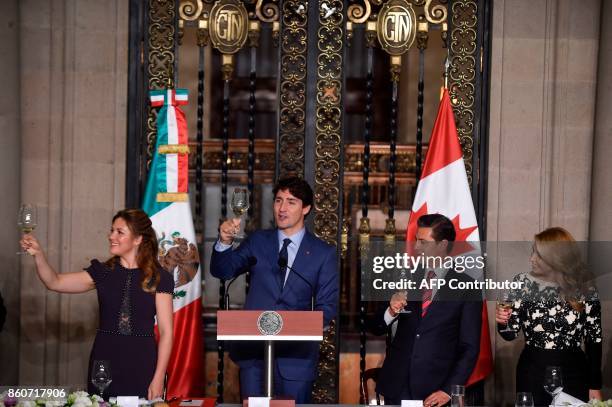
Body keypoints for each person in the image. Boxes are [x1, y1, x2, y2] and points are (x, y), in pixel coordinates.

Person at [20, 209, 174, 400]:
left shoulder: (160, 278)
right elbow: (54, 282)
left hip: (142, 362)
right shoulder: (102, 272)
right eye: (112, 231)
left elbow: (167, 333)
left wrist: (159, 377)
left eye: (120, 232)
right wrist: (38, 255)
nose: (111, 236)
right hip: (104, 362)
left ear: (138, 239)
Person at [210, 177, 338, 403]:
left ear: (306, 208)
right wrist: (224, 242)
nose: (282, 208)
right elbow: (224, 271)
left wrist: (305, 325)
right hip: (254, 357)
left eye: (291, 202)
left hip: (296, 360)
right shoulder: (258, 241)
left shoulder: (322, 253)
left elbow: (327, 306)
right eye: (278, 200)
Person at [370, 214, 482, 407]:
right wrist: (391, 310)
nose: (416, 247)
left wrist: (448, 391)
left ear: (442, 244)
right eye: (416, 241)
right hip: (397, 385)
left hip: (436, 390)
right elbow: (375, 326)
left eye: (423, 242)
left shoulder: (467, 287)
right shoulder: (403, 277)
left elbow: (469, 348)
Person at [496, 227, 602, 405]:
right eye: (533, 252)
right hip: (532, 372)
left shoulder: (585, 286)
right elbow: (510, 334)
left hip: (574, 374)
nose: (532, 258)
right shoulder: (523, 282)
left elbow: (594, 339)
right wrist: (502, 321)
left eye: (538, 254)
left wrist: (595, 386)